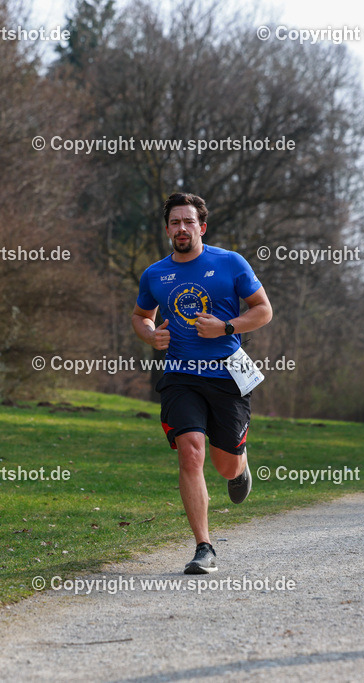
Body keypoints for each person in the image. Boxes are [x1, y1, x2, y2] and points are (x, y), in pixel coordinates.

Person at [131, 192, 273, 574]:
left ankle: (240, 466)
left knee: (225, 467)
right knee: (191, 451)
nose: (182, 228)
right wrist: (151, 335)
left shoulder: (230, 262)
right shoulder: (155, 274)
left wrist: (226, 327)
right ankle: (204, 547)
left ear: (202, 227)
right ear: (167, 230)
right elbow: (141, 315)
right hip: (180, 376)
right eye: (175, 222)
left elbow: (263, 310)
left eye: (188, 221)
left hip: (227, 374)